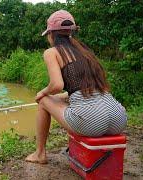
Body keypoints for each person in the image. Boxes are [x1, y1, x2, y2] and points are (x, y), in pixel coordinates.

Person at [25, 10, 127, 164]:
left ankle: (40, 153)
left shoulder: (52, 52)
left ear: (51, 34)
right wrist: (59, 97)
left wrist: (42, 93)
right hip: (118, 117)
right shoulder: (85, 51)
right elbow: (85, 90)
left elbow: (57, 85)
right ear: (70, 33)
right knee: (52, 98)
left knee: (44, 100)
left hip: (91, 122)